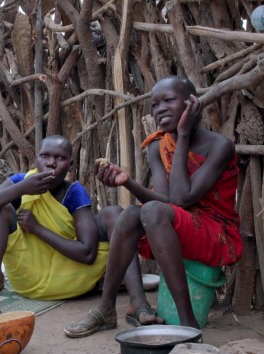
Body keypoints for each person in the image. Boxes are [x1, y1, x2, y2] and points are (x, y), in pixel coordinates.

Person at [64, 76, 242, 337]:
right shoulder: (158, 146)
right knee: (129, 214)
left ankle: (187, 323)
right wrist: (128, 183)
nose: (160, 110)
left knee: (149, 211)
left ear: (192, 104)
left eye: (168, 100)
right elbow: (168, 201)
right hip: (177, 222)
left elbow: (182, 198)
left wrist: (182, 136)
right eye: (155, 105)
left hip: (216, 232)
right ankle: (106, 309)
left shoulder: (219, 146)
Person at [0, 135, 111, 319]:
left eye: (60, 158)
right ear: (35, 160)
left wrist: (37, 228)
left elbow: (88, 254)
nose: (51, 163)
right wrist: (21, 189)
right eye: (45, 156)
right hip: (27, 278)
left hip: (69, 276)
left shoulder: (73, 192)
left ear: (71, 165)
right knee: (0, 208)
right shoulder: (21, 182)